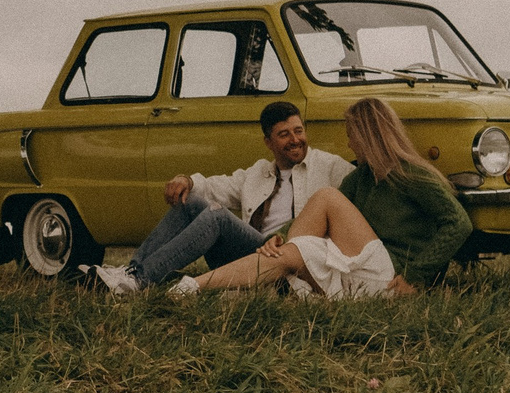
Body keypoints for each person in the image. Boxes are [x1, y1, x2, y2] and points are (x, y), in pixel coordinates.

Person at [169, 98, 473, 300]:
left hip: (390, 276)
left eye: (352, 134)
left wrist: (416, 278)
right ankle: (191, 287)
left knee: (325, 197)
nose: (349, 142)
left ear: (369, 136)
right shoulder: (362, 179)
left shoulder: (412, 175)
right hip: (359, 269)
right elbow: (315, 216)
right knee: (289, 254)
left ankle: (286, 283)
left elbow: (458, 224)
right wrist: (278, 237)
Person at [83, 100, 351, 292]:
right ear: (268, 142)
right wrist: (186, 180)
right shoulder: (259, 173)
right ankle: (131, 272)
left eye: (299, 131)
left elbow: (364, 194)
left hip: (290, 262)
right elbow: (214, 187)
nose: (295, 140)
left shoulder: (329, 167)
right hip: (252, 255)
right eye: (284, 134)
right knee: (192, 200)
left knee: (217, 216)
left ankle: (139, 280)